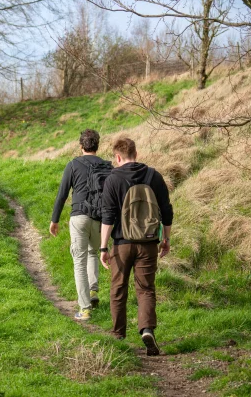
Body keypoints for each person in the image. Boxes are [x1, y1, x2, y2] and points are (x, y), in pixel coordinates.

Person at [100, 137, 172, 356]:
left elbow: (108, 216)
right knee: (146, 289)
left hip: (122, 244)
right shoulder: (154, 176)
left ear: (118, 157)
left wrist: (103, 247)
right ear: (136, 153)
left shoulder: (112, 179)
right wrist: (165, 239)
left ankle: (117, 335)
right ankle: (147, 329)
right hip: (148, 242)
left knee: (118, 288)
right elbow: (167, 210)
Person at [50, 129, 112, 321]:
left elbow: (62, 194)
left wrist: (55, 220)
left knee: (79, 261)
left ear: (80, 146)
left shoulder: (73, 165)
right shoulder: (107, 166)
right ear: (97, 145)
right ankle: (93, 291)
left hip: (79, 217)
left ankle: (84, 308)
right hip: (100, 219)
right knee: (94, 252)